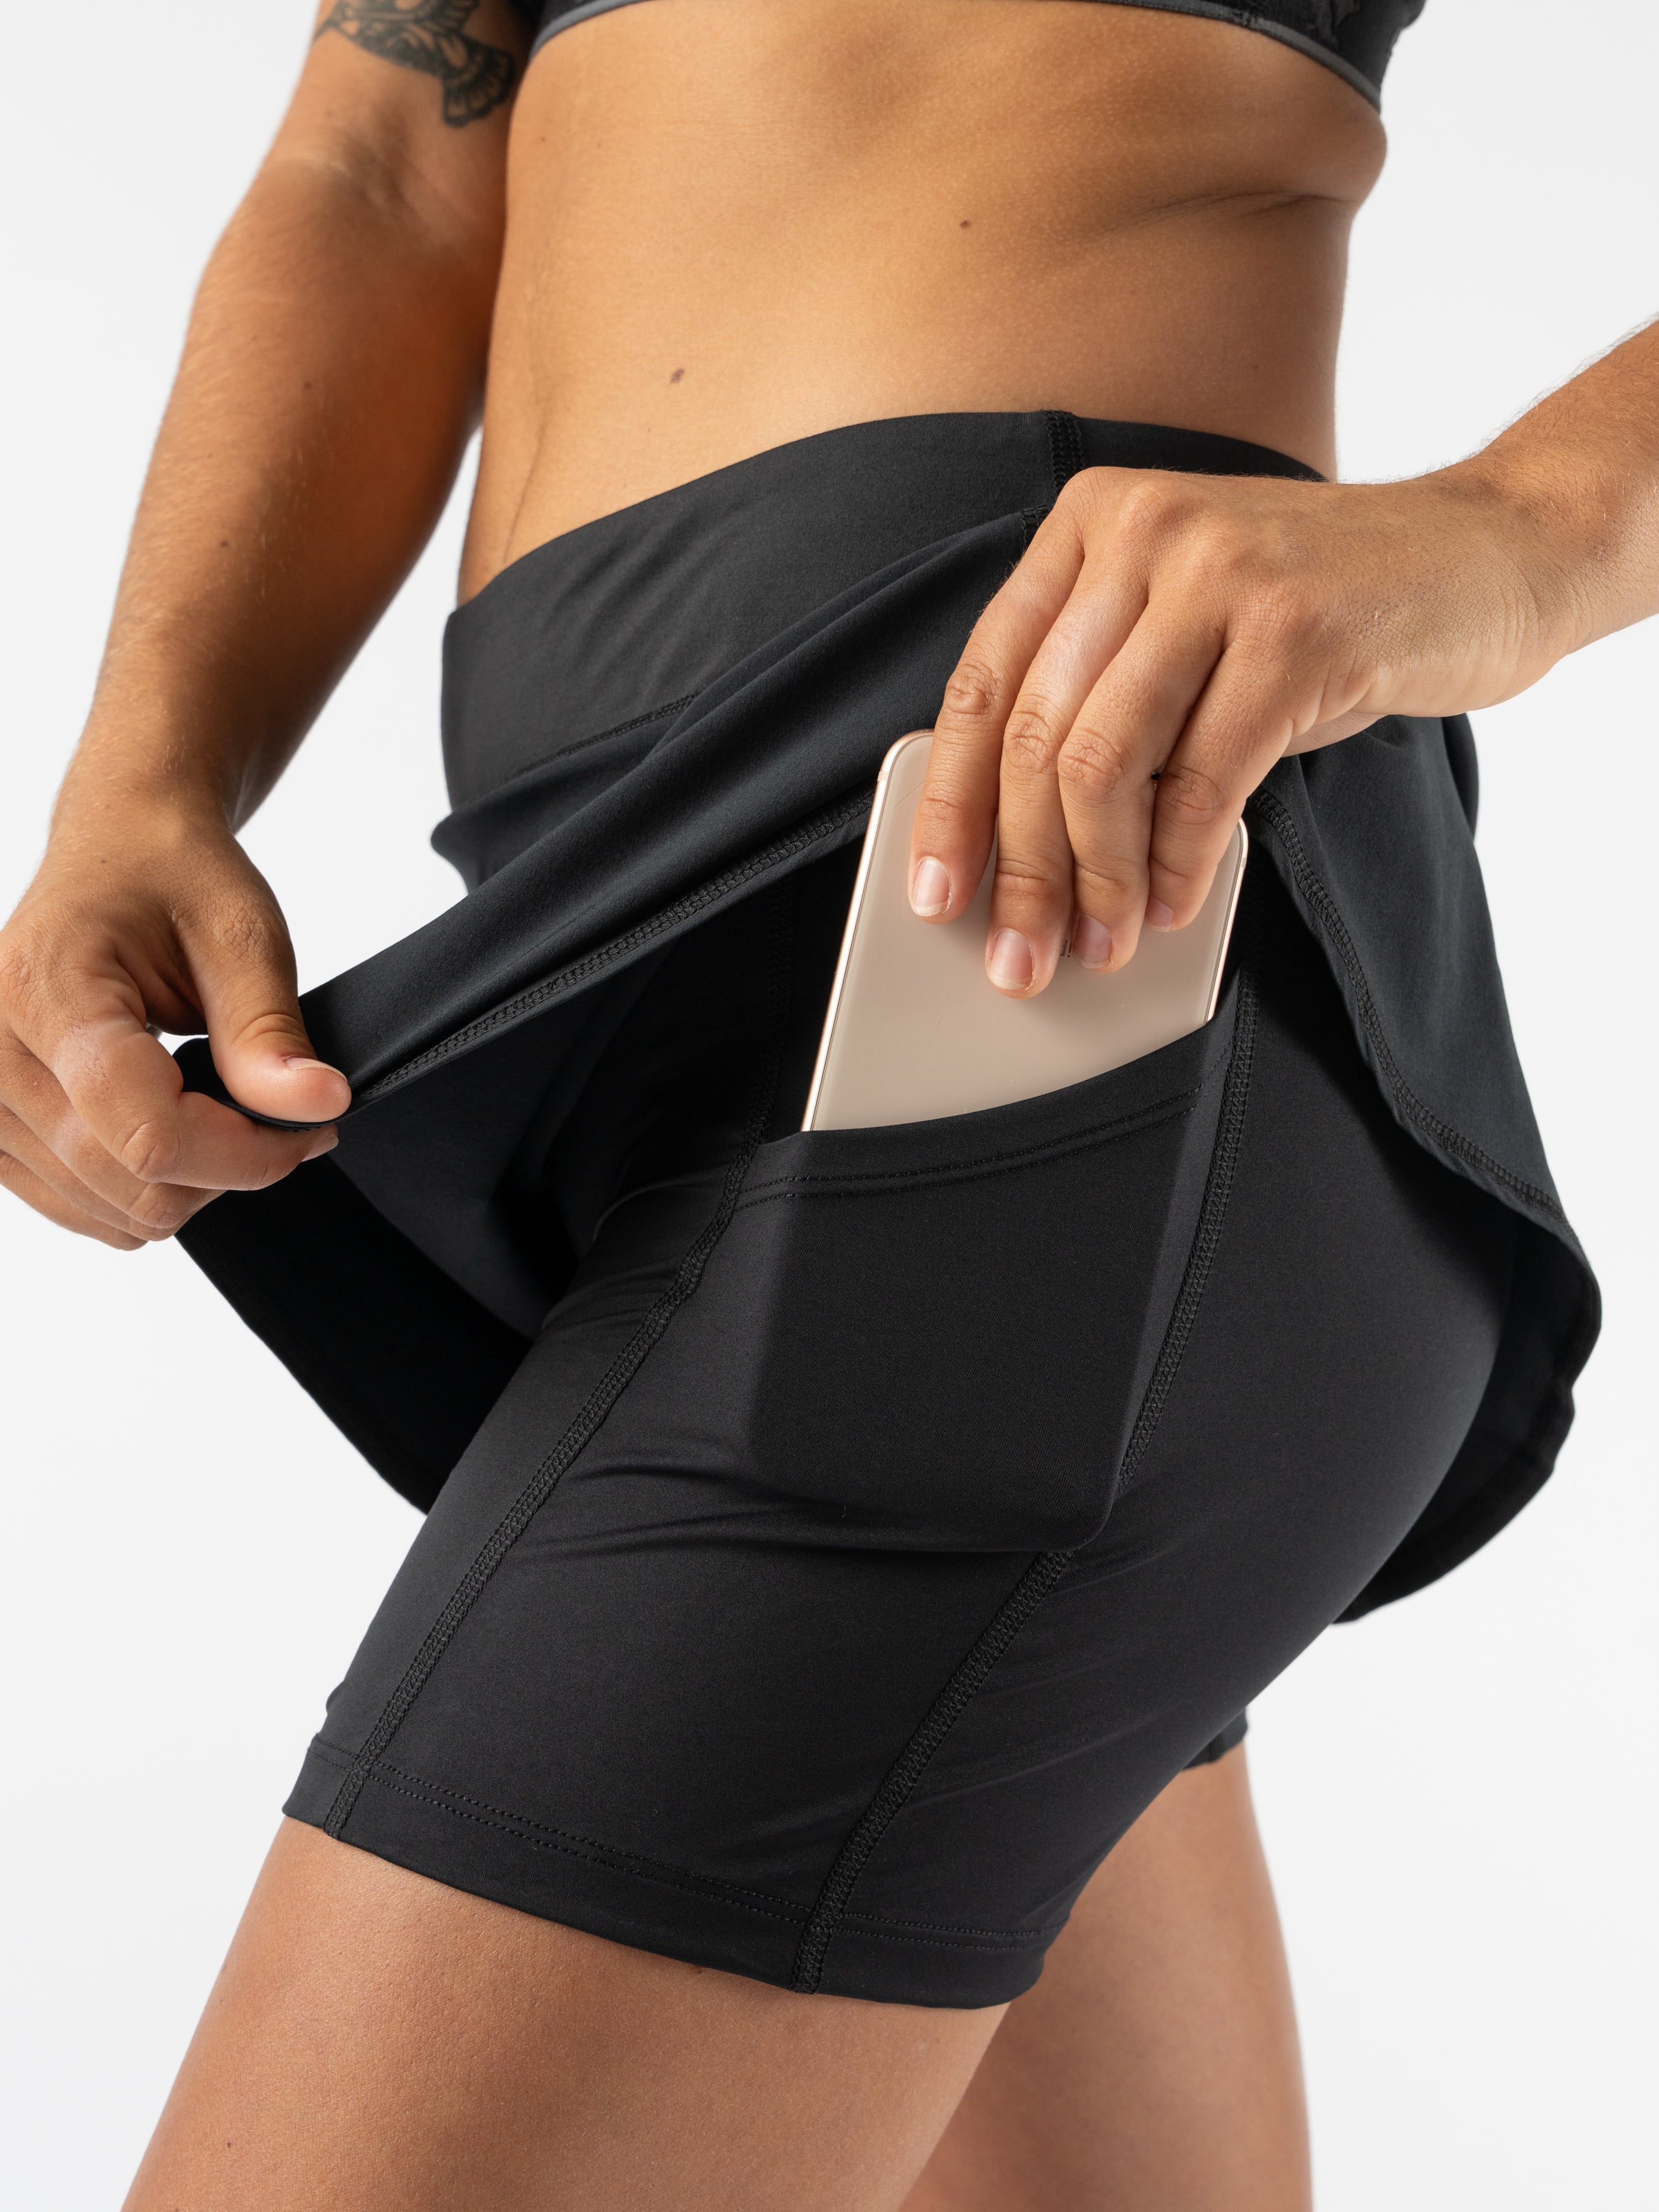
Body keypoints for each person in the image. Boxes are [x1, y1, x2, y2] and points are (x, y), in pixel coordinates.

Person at [1, 1, 1644, 2203]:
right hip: (636, 957)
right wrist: (140, 776)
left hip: (1042, 944)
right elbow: (376, 166)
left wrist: (1527, 524)